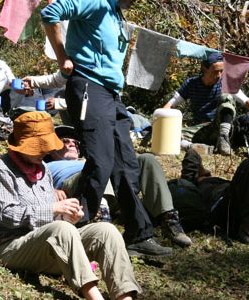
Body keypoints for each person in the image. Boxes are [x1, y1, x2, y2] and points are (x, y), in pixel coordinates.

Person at [42, 0, 172, 256]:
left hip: (112, 94)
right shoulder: (96, 2)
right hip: (90, 87)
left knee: (126, 164)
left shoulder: (115, 14)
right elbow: (50, 13)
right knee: (100, 162)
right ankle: (71, 229)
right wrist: (62, 58)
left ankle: (139, 234)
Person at [0, 112, 141, 300]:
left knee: (106, 231)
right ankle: (94, 297)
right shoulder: (3, 168)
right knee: (61, 228)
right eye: (39, 148)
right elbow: (7, 215)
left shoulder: (43, 169)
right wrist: (54, 209)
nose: (44, 152)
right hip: (13, 247)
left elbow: (52, 224)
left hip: (47, 244)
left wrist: (68, 216)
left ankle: (124, 296)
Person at [47, 125, 192, 248]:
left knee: (146, 159)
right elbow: (30, 183)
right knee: (101, 167)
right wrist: (52, 190)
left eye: (75, 142)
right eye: (65, 141)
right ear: (53, 149)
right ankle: (101, 220)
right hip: (77, 188)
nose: (72, 144)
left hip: (109, 183)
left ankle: (168, 218)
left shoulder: (88, 159)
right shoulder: (46, 165)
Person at [161, 52, 249, 155]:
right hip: (200, 129)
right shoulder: (191, 84)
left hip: (222, 127)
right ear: (204, 69)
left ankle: (223, 140)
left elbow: (247, 101)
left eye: (221, 71)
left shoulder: (226, 83)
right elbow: (171, 104)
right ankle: (196, 147)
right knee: (170, 136)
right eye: (215, 71)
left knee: (227, 97)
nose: (219, 75)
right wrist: (159, 121)